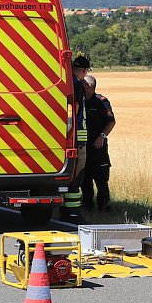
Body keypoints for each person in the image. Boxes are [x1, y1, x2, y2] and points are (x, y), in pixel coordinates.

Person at [61, 55, 90, 223]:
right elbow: (76, 109)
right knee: (76, 177)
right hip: (77, 139)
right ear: (84, 71)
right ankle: (72, 214)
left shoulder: (67, 81)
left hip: (70, 137)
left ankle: (67, 211)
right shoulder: (76, 85)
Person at [82, 74, 116, 212]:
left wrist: (102, 136)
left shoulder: (101, 101)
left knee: (101, 177)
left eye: (83, 85)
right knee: (85, 177)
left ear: (90, 86)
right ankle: (87, 205)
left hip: (98, 146)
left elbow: (111, 121)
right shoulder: (80, 100)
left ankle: (103, 205)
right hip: (83, 146)